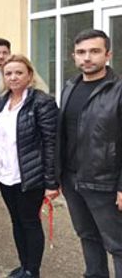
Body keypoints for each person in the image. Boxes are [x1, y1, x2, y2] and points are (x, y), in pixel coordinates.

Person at [56, 29, 122, 278]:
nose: (87, 58)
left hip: (104, 182)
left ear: (107, 54)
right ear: (74, 56)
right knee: (87, 236)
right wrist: (57, 176)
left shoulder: (118, 90)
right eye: (81, 52)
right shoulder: (70, 86)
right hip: (72, 180)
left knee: (118, 245)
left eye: (94, 51)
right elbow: (63, 135)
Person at [0, 54, 59, 278]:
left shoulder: (42, 102)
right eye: (9, 73)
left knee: (30, 222)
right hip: (5, 174)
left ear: (29, 75)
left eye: (19, 72)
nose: (13, 77)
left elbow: (51, 143)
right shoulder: (1, 102)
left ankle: (32, 271)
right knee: (16, 221)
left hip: (30, 176)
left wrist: (52, 182)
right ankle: (24, 265)